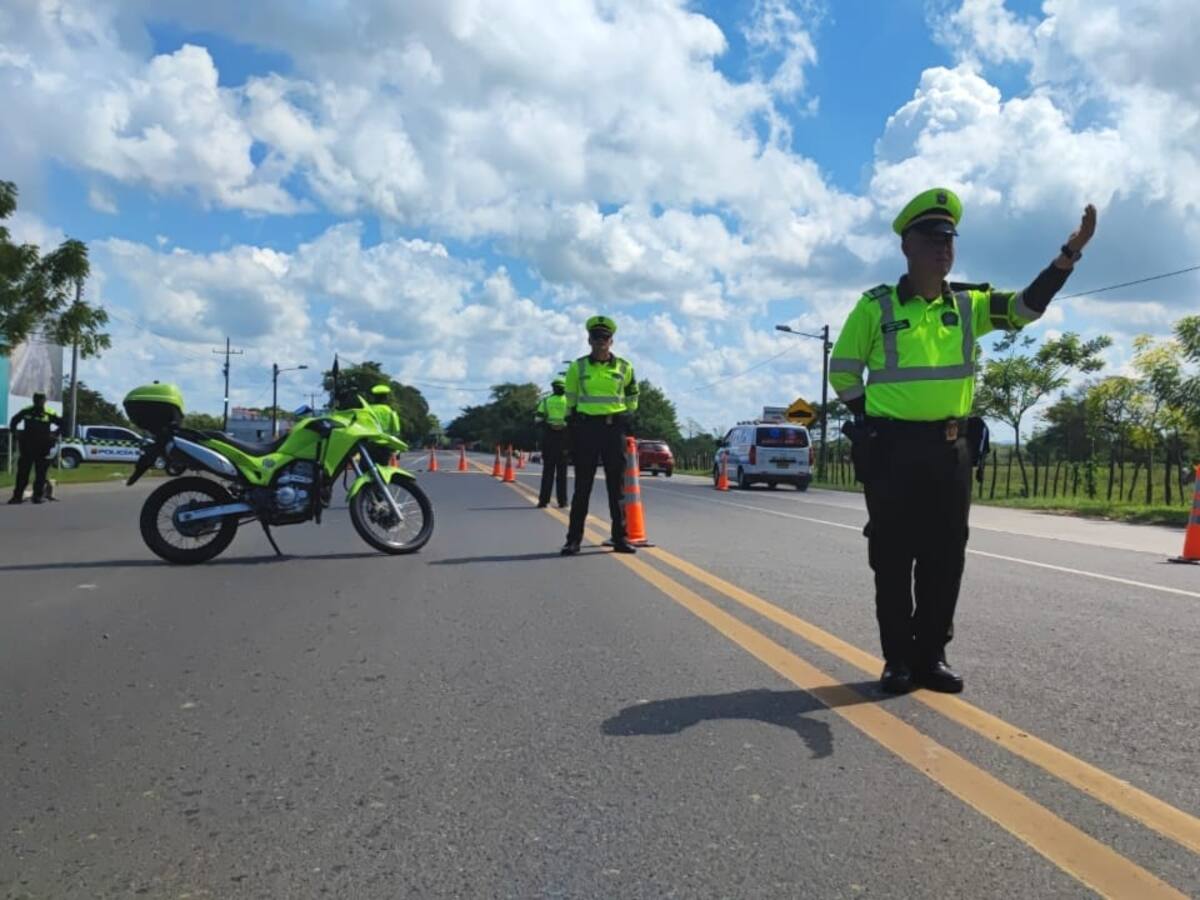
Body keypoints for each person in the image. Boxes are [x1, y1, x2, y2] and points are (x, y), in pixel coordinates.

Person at [829, 188, 1097, 694]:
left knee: (945, 555)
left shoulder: (969, 304)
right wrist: (872, 420)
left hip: (951, 449)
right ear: (907, 246)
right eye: (932, 238)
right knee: (892, 557)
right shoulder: (876, 307)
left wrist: (1068, 256)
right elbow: (842, 370)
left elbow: (1025, 308)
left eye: (949, 239)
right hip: (892, 451)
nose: (943, 248)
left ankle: (931, 656)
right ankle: (898, 660)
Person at [561, 315, 640, 555]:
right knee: (582, 487)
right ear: (589, 339)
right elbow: (571, 397)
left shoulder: (625, 367)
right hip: (586, 429)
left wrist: (628, 413)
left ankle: (620, 538)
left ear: (611, 341)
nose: (600, 342)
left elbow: (633, 394)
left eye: (605, 338)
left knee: (616, 488)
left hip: (613, 429)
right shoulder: (578, 367)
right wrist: (571, 422)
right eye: (596, 337)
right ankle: (573, 540)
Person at [8, 392, 61, 505]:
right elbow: (14, 420)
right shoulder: (27, 411)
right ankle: (17, 497)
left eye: (41, 400)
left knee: (40, 474)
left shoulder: (49, 412)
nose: (38, 402)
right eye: (36, 400)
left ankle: (37, 497)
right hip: (27, 446)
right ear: (33, 400)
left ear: (45, 401)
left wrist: (54, 435)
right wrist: (15, 433)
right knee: (23, 473)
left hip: (43, 447)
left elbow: (62, 424)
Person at [534, 376, 570, 509]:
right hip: (564, 439)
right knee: (562, 473)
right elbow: (574, 421)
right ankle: (563, 501)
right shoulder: (569, 402)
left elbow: (537, 420)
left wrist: (548, 425)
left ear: (553, 388)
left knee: (548, 471)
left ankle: (543, 501)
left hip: (549, 438)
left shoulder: (546, 401)